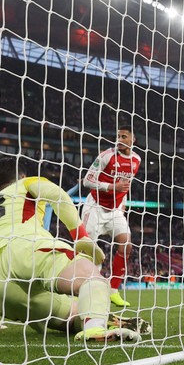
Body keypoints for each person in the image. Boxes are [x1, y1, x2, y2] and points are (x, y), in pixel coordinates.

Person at [0, 156, 149, 342]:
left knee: (73, 315)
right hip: (23, 247)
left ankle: (101, 321)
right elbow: (57, 195)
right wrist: (80, 235)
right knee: (93, 279)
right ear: (21, 177)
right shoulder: (26, 184)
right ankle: (95, 328)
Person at [81, 125, 141, 307]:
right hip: (95, 208)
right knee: (87, 251)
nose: (120, 139)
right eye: (118, 136)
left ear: (133, 140)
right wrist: (111, 187)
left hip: (115, 211)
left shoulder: (137, 160)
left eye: (124, 136)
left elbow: (126, 186)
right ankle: (85, 289)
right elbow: (87, 180)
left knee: (126, 244)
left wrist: (122, 205)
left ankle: (113, 289)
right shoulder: (106, 156)